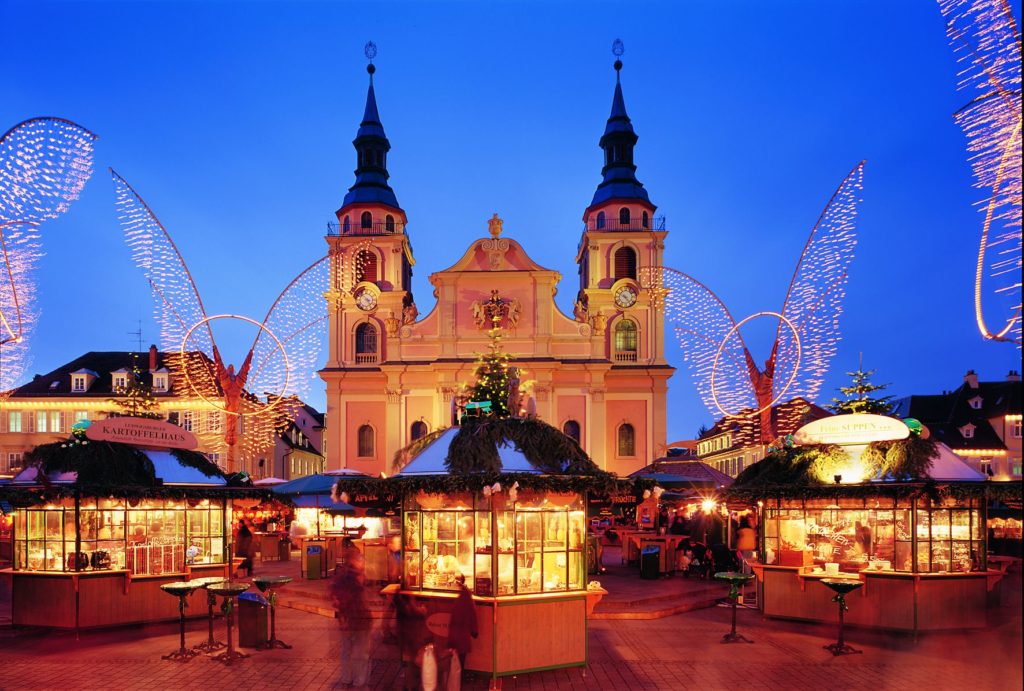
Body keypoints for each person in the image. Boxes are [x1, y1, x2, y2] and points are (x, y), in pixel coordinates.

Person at [329, 557, 373, 688]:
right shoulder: (354, 580)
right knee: (360, 652)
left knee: (347, 650)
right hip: (357, 620)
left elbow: (335, 597)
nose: (363, 564)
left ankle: (347, 678)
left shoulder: (342, 579)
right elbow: (353, 602)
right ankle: (358, 680)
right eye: (360, 561)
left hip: (348, 620)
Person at [445, 574, 478, 688]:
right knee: (459, 656)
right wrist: (474, 630)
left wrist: (474, 630)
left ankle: (456, 678)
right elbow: (472, 613)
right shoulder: (465, 595)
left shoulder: (462, 596)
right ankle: (458, 678)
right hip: (461, 633)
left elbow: (470, 614)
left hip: (457, 633)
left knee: (457, 656)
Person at [394, 591, 430, 691]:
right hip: (414, 638)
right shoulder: (411, 609)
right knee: (416, 662)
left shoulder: (401, 609)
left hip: (405, 638)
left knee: (410, 662)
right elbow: (422, 613)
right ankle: (413, 686)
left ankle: (409, 685)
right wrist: (423, 607)